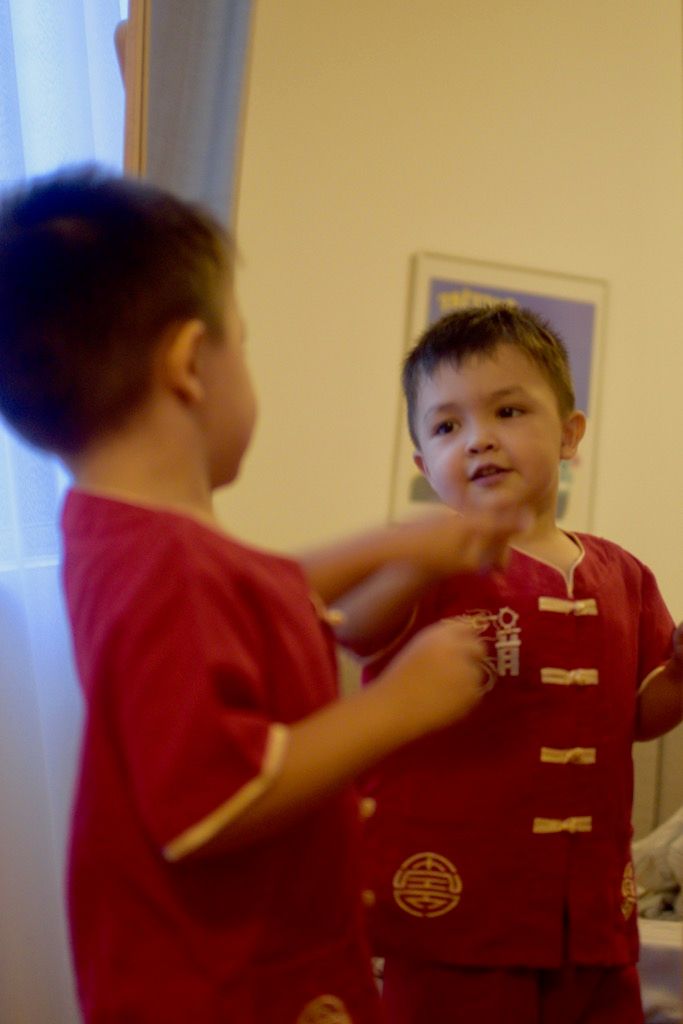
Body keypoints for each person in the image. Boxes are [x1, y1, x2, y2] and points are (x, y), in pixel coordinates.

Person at [0, 168, 525, 1024]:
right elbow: (211, 801)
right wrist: (399, 703)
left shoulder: (125, 534)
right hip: (228, 989)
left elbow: (250, 589)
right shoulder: (161, 565)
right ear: (188, 365)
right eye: (240, 343)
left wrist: (400, 543)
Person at [336, 304, 683, 1024]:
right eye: (446, 427)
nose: (479, 439)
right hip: (453, 919)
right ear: (423, 466)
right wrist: (414, 558)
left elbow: (640, 715)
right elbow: (353, 632)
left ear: (569, 434)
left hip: (592, 919)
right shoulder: (426, 565)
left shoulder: (622, 574)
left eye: (508, 411)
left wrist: (679, 674)